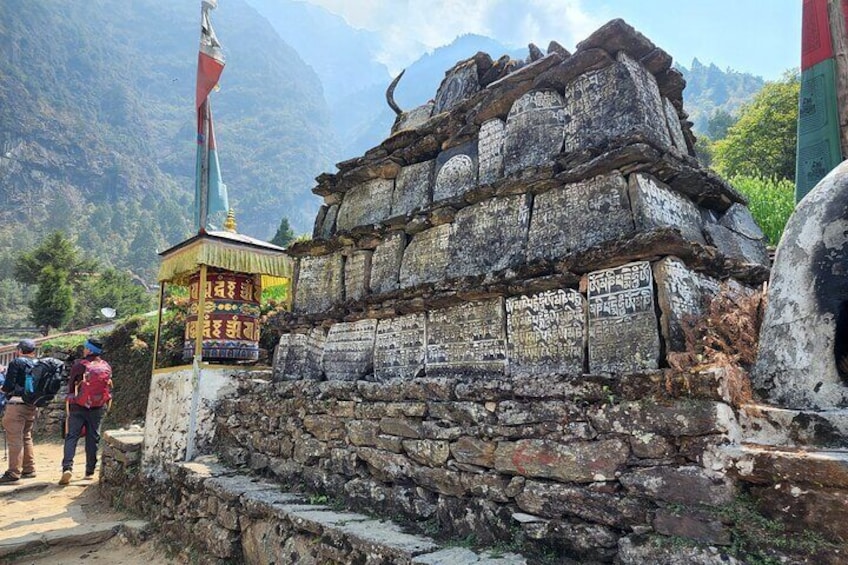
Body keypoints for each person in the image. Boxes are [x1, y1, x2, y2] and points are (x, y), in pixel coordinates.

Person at [60, 337, 112, 485]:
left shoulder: (79, 365)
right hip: (97, 407)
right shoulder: (106, 366)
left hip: (77, 406)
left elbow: (71, 387)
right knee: (93, 437)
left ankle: (67, 468)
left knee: (72, 436)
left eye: (85, 347)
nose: (84, 350)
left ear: (89, 349)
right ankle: (89, 471)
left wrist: (71, 399)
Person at [0, 339, 39, 484]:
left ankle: (13, 472)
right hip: (31, 404)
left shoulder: (16, 362)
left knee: (14, 438)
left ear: (19, 350)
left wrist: (2, 389)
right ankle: (29, 469)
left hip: (16, 404)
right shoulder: (37, 363)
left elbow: (8, 386)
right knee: (26, 436)